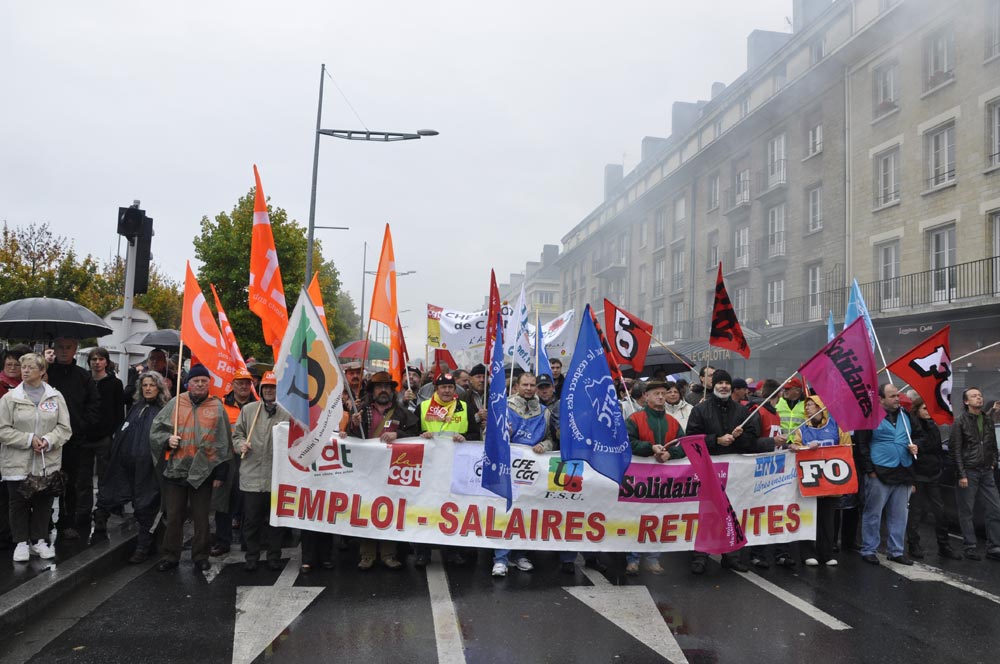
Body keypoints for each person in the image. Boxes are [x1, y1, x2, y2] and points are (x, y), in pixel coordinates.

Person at [149, 365, 232, 572]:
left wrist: (219, 473)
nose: (200, 384)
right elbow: (156, 430)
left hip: (203, 472)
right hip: (176, 470)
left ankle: (200, 556)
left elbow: (224, 443)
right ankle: (170, 555)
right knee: (174, 515)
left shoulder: (217, 407)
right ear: (189, 383)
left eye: (204, 380)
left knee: (201, 517)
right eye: (196, 381)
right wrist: (168, 440)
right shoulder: (176, 403)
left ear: (209, 383)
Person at [685, 369, 758, 573]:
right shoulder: (700, 410)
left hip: (735, 473)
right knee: (707, 513)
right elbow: (691, 438)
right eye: (720, 383)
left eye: (727, 383)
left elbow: (751, 439)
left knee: (731, 512)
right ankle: (700, 556)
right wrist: (715, 440)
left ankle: (731, 555)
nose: (724, 386)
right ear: (713, 385)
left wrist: (739, 437)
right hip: (709, 469)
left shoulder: (741, 411)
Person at [0, 353, 71, 562]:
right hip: (16, 460)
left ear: (42, 372)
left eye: (30, 367)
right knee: (18, 502)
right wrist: (28, 439)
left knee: (44, 502)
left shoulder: (55, 397)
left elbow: (65, 428)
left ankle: (39, 540)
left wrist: (48, 440)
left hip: (46, 462)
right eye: (23, 367)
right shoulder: (10, 398)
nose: (25, 370)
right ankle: (21, 542)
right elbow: (2, 429)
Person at [345, 371, 419, 570]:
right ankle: (367, 555)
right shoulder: (361, 411)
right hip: (366, 470)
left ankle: (389, 553)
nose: (384, 390)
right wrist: (353, 425)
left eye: (387, 386)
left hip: (393, 470)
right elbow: (351, 438)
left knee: (389, 511)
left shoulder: (402, 412)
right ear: (372, 391)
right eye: (379, 387)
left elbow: (415, 433)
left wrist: (398, 434)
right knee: (367, 510)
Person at [96, 371, 169, 563]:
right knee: (129, 502)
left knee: (147, 506)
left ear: (159, 387)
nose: (148, 388)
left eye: (152, 385)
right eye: (145, 385)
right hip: (126, 466)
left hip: (149, 467)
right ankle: (148, 543)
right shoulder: (136, 408)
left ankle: (143, 547)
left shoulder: (165, 410)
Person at [493, 372, 553, 577]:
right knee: (505, 513)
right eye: (525, 384)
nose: (529, 388)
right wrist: (503, 435)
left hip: (532, 471)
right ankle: (500, 558)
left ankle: (520, 555)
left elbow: (551, 439)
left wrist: (544, 445)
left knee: (527, 514)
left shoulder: (544, 412)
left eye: (532, 385)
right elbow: (488, 437)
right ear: (517, 386)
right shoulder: (505, 407)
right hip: (508, 470)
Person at [625, 380, 686, 575]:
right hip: (639, 482)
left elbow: (683, 446)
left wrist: (670, 454)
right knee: (637, 519)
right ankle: (632, 559)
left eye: (663, 393)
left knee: (658, 519)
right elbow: (627, 443)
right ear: (647, 396)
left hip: (663, 482)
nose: (661, 397)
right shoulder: (635, 420)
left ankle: (653, 559)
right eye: (656, 393)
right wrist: (649, 448)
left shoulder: (673, 423)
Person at [855, 383, 921, 566]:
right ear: (880, 399)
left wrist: (917, 445)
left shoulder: (905, 414)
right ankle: (869, 548)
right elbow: (862, 445)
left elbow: (920, 435)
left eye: (897, 396)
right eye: (892, 396)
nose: (897, 399)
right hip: (879, 471)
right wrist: (869, 470)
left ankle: (896, 551)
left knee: (900, 514)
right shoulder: (869, 416)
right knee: (873, 513)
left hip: (904, 470)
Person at [233, 371, 290, 572]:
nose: (268, 390)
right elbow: (237, 434)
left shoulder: (287, 413)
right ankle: (252, 555)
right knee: (251, 521)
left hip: (277, 477)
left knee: (276, 522)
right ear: (260, 389)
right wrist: (240, 444)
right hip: (252, 476)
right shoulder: (249, 410)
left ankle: (274, 556)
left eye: (273, 387)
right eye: (265, 387)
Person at [45, 336, 101, 541]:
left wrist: (81, 426)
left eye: (68, 347)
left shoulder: (82, 376)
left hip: (73, 439)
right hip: (47, 439)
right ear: (54, 349)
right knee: (44, 482)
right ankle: (44, 521)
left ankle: (67, 521)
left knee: (71, 483)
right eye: (60, 347)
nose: (64, 351)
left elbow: (94, 404)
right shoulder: (46, 373)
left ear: (75, 349)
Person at [416, 373, 473, 568]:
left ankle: (453, 551)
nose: (447, 391)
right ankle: (422, 553)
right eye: (443, 387)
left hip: (454, 468)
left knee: (453, 510)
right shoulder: (423, 407)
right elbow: (411, 433)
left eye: (450, 387)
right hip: (429, 468)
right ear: (436, 389)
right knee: (424, 510)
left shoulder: (464, 408)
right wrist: (421, 435)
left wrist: (464, 437)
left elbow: (474, 434)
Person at [789, 395, 851, 566]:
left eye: (811, 405)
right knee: (809, 517)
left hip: (831, 481)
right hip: (810, 480)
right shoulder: (801, 429)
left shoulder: (837, 427)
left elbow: (846, 449)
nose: (807, 408)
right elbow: (795, 448)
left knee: (827, 519)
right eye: (806, 405)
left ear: (821, 407)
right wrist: (803, 448)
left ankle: (826, 553)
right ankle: (808, 552)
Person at [906, 396, 961, 561]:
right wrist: (912, 479)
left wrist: (940, 467)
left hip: (933, 475)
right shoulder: (911, 427)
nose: (928, 412)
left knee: (940, 512)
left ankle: (944, 545)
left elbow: (937, 450)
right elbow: (909, 453)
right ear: (917, 410)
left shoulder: (933, 426)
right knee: (916, 512)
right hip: (918, 475)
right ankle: (913, 545)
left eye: (929, 409)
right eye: (924, 409)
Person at [949, 387, 1000, 561]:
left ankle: (994, 547)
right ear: (966, 401)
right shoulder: (960, 421)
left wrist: (993, 463)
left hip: (986, 471)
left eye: (980, 395)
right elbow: (954, 449)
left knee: (995, 508)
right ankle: (970, 546)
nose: (978, 398)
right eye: (974, 396)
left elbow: (992, 444)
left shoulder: (987, 420)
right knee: (967, 510)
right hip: (969, 472)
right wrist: (961, 474)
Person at [213, 368, 257, 557]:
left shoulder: (258, 407)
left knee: (249, 503)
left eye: (247, 383)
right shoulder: (221, 404)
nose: (244, 386)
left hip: (250, 460)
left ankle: (249, 541)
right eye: (240, 383)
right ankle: (223, 541)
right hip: (227, 460)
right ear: (232, 385)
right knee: (224, 503)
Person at [84, 347, 126, 539]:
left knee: (104, 478)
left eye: (100, 359)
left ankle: (101, 513)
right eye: (94, 359)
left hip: (105, 436)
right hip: (84, 436)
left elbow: (119, 410)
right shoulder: (84, 381)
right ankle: (82, 514)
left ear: (106, 362)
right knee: (82, 479)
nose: (97, 362)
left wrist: (116, 433)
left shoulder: (115, 384)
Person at [0, 345, 29, 549]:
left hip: (21, 447)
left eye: (16, 364)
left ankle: (14, 531)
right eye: (8, 363)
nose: (11, 367)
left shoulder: (29, 388)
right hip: (3, 442)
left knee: (17, 494)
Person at [463, 364, 487, 442]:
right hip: (471, 443)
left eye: (484, 377)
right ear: (470, 379)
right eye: (478, 377)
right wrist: (477, 417)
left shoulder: (494, 398)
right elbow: (461, 422)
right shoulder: (463, 398)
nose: (482, 380)